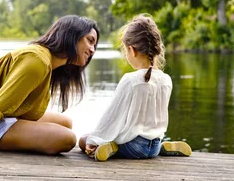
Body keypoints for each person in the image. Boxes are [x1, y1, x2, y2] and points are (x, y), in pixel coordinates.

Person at [0, 15, 99, 159]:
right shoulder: (37, 61)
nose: (92, 50)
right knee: (67, 139)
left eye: (95, 45)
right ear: (71, 36)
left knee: (65, 122)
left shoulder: (48, 61)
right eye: (89, 41)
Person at [79, 14, 191, 162]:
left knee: (84, 139)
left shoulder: (130, 80)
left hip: (133, 147)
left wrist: (95, 140)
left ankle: (113, 148)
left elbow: (112, 117)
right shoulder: (166, 80)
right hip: (154, 144)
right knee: (149, 143)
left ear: (132, 50)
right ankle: (161, 147)